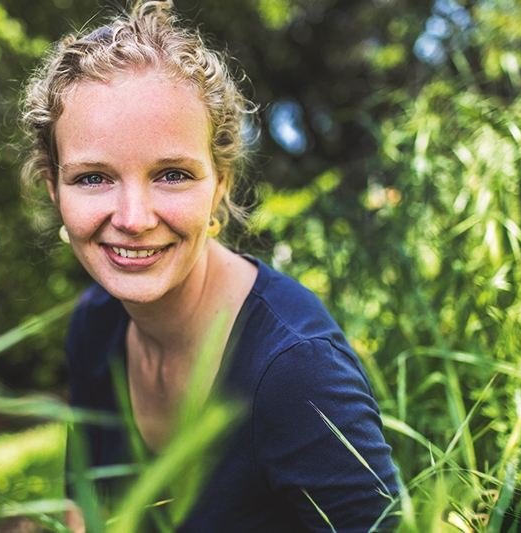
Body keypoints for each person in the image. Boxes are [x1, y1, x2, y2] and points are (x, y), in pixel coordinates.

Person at [20, 1, 400, 531]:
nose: (133, 218)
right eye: (92, 178)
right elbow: (85, 511)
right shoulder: (94, 325)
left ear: (221, 183)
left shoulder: (295, 372)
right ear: (53, 191)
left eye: (172, 174)